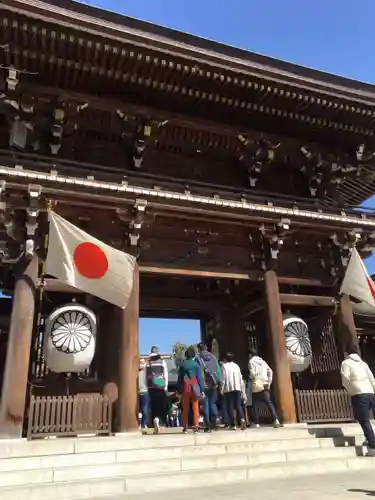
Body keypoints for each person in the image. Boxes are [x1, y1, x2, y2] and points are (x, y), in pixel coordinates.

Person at [341, 343, 375, 456]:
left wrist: (351, 391)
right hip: (370, 392)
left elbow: (345, 379)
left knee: (364, 420)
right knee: (368, 420)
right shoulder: (363, 364)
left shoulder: (346, 363)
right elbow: (372, 378)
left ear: (346, 353)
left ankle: (373, 447)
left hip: (359, 393)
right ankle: (369, 438)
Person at [248, 348, 280, 428]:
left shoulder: (251, 361)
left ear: (250, 354)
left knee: (255, 404)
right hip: (265, 384)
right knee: (269, 403)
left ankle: (256, 422)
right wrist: (269, 382)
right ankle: (275, 420)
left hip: (257, 384)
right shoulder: (263, 362)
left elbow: (252, 373)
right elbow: (270, 371)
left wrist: (252, 378)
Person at [196, 342, 223, 431]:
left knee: (206, 404)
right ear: (206, 347)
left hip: (204, 384)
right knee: (213, 403)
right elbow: (218, 370)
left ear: (199, 349)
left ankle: (207, 425)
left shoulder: (198, 358)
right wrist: (221, 382)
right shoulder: (213, 357)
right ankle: (217, 419)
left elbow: (197, 372)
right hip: (214, 383)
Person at [178, 346, 205, 433]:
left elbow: (180, 378)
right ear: (193, 355)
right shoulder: (196, 365)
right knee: (195, 407)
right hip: (194, 385)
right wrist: (202, 390)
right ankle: (196, 426)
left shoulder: (182, 365)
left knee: (185, 407)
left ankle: (185, 427)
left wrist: (179, 390)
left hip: (186, 386)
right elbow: (200, 378)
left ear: (186, 355)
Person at [146, 346, 168, 434]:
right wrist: (165, 387)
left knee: (153, 405)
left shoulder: (148, 362)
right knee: (161, 406)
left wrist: (147, 386)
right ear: (158, 352)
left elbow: (145, 376)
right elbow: (165, 375)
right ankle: (159, 420)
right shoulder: (162, 361)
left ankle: (154, 419)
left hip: (151, 386)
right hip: (161, 386)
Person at [221, 352, 247, 430]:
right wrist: (242, 389)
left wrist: (222, 388)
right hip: (238, 388)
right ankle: (242, 419)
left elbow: (224, 378)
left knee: (230, 406)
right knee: (238, 405)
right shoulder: (236, 366)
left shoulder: (224, 366)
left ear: (225, 359)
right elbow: (240, 377)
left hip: (228, 389)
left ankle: (233, 424)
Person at [138, 359, 149, 432]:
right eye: (140, 362)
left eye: (142, 362)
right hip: (137, 392)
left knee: (145, 410)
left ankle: (143, 424)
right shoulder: (135, 371)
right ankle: (140, 424)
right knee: (138, 410)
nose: (141, 364)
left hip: (145, 392)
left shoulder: (147, 371)